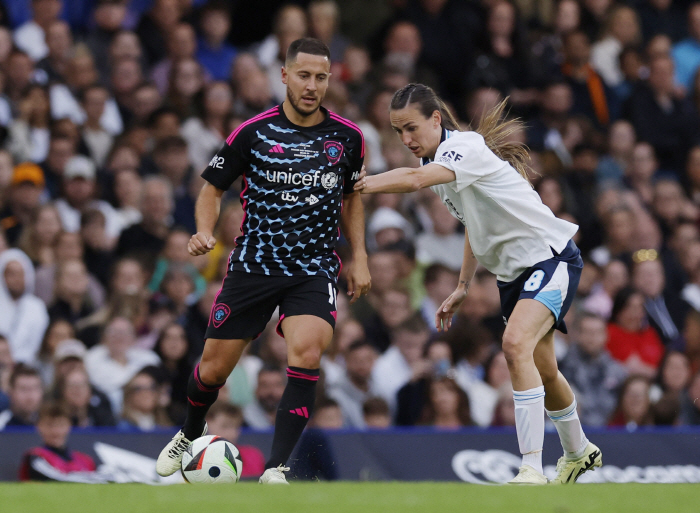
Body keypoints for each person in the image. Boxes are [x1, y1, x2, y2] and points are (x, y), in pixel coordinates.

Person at [355, 83, 601, 485]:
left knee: (514, 345)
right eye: (398, 131)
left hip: (549, 257)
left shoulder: (464, 147)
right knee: (545, 369)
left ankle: (531, 468)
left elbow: (412, 181)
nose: (406, 139)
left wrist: (361, 185)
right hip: (512, 276)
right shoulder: (442, 169)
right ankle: (579, 451)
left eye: (411, 128)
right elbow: (475, 224)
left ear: (436, 119)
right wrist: (463, 285)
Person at [156, 38, 371, 486]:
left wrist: (361, 257)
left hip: (313, 266)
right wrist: (203, 231)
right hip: (254, 264)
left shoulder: (348, 138)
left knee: (308, 353)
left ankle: (276, 468)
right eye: (304, 75)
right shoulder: (252, 132)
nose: (312, 86)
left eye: (321, 77)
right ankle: (189, 432)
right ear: (285, 76)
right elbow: (212, 188)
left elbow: (353, 198)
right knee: (213, 369)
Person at [18, 401, 100, 482]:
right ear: (39, 427)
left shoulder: (86, 461)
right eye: (49, 425)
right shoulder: (35, 457)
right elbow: (55, 479)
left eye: (61, 425)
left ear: (69, 426)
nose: (55, 431)